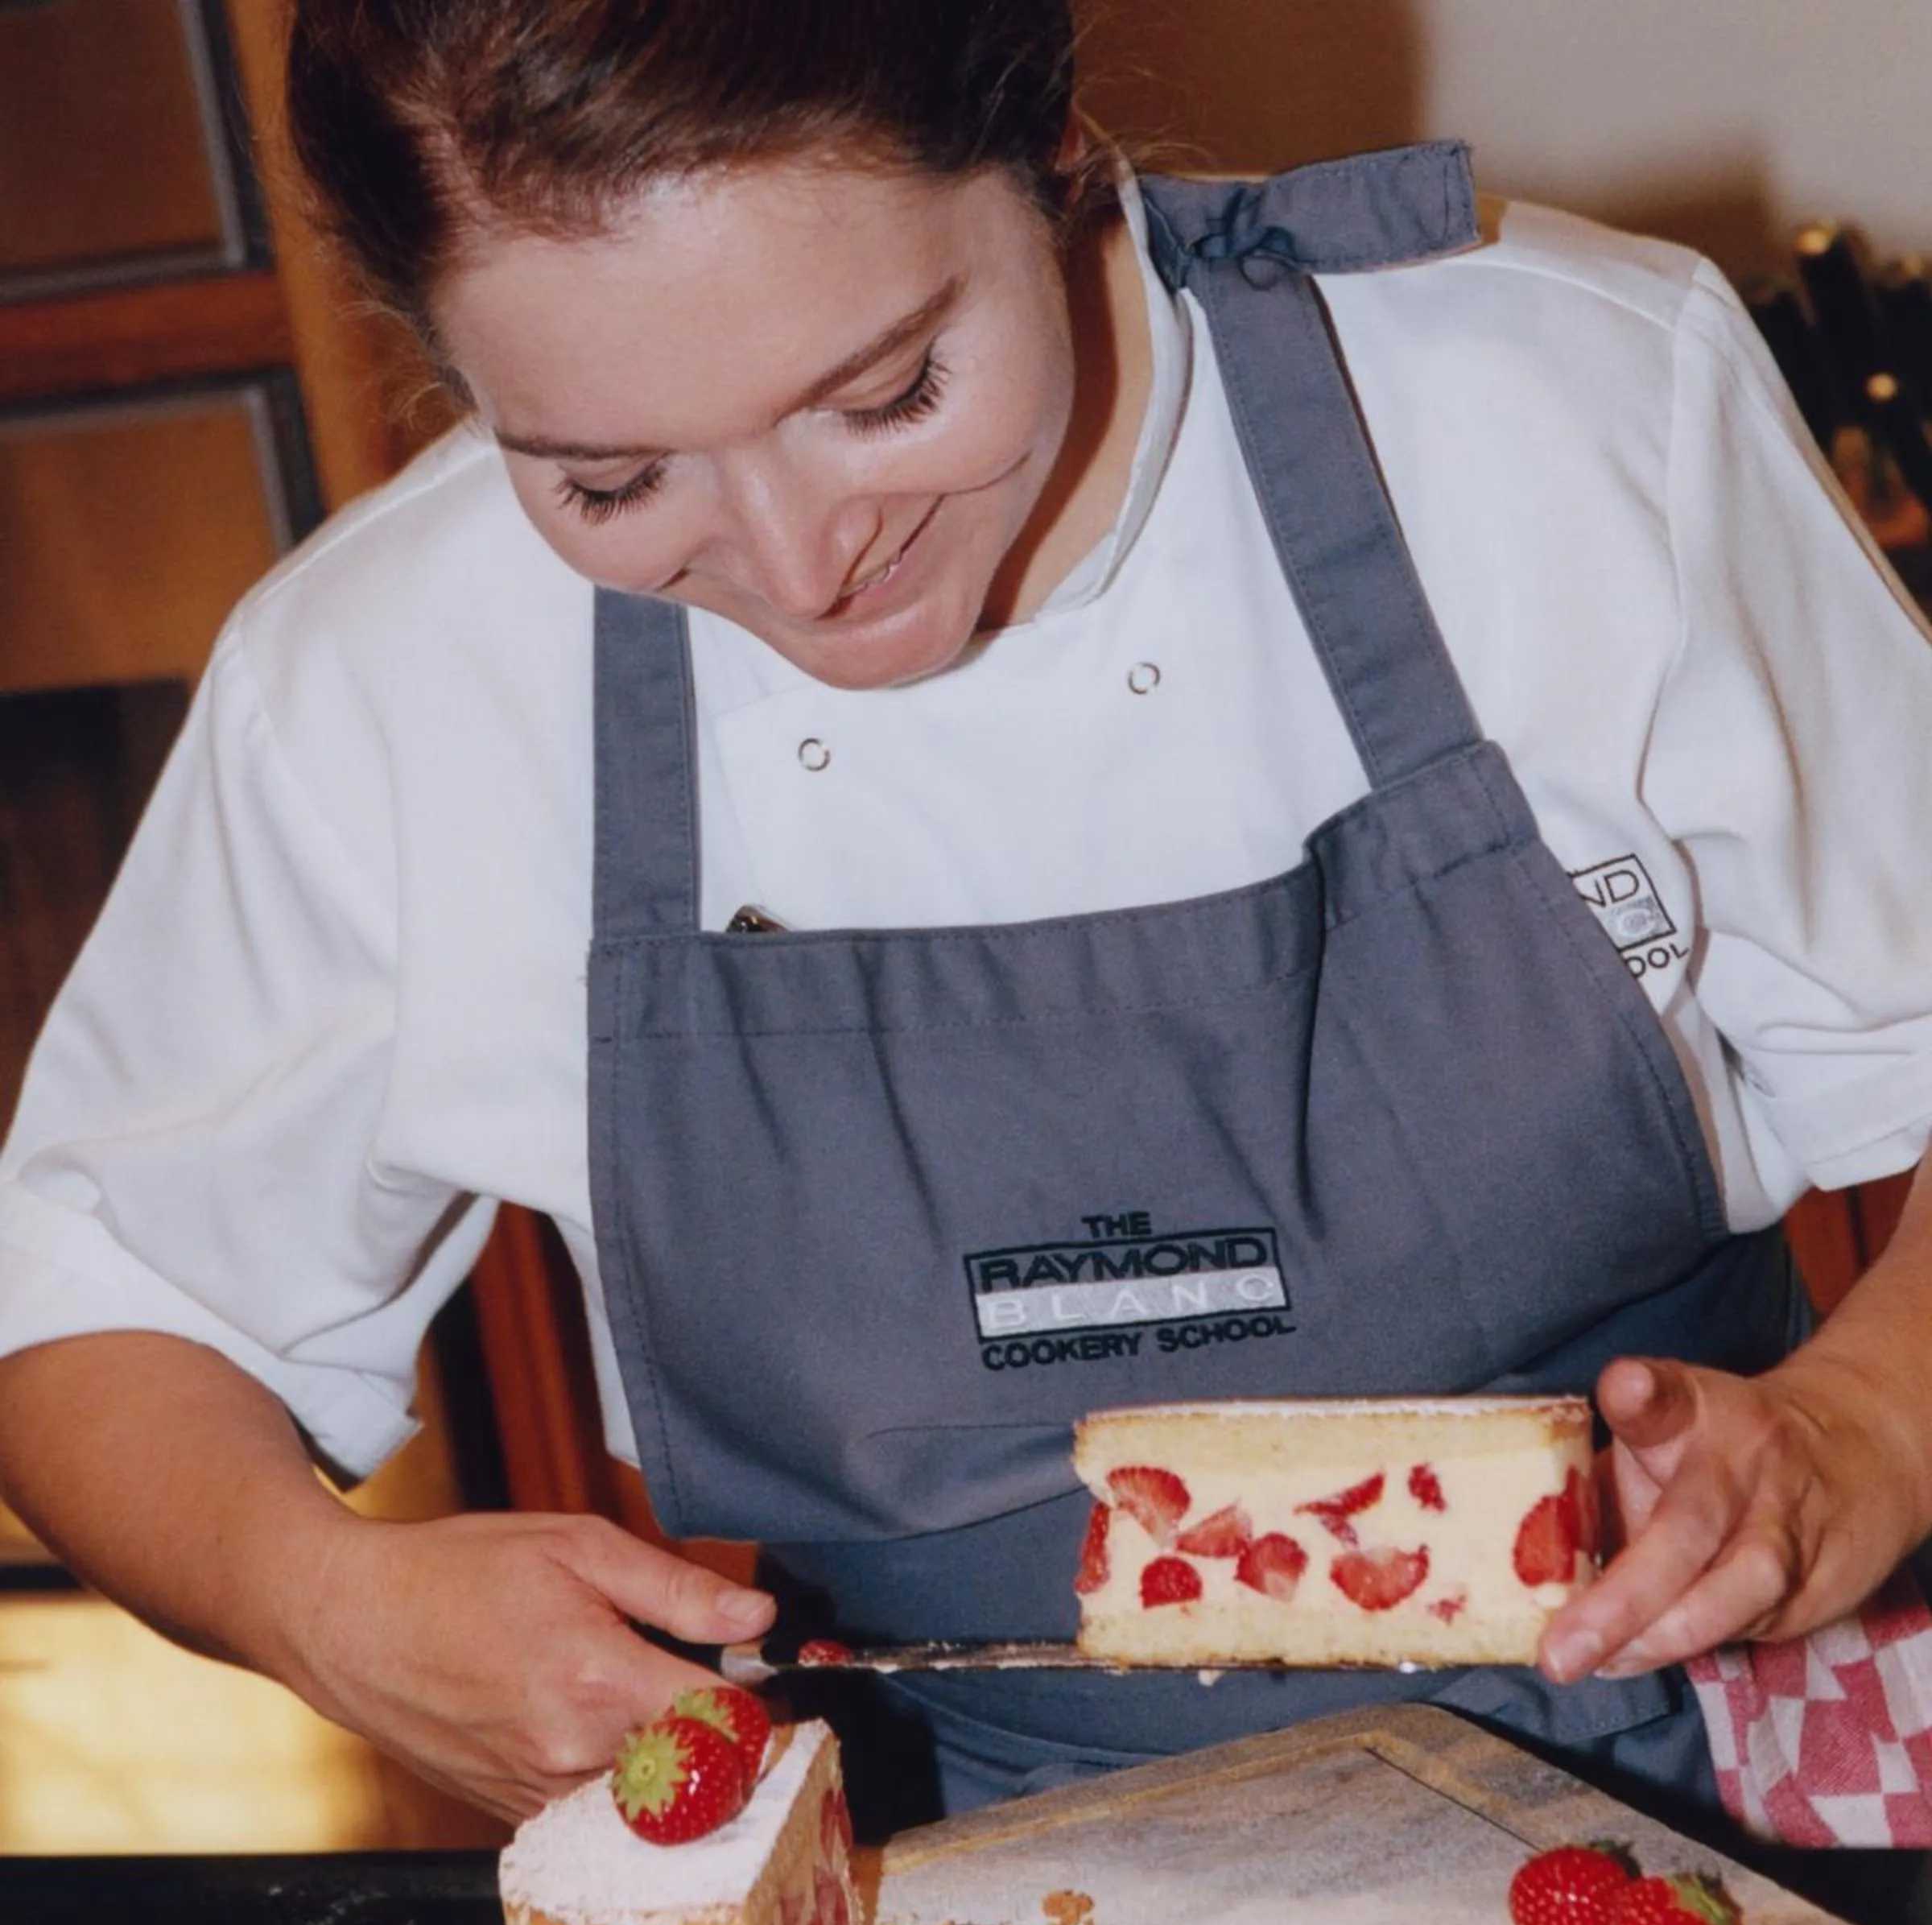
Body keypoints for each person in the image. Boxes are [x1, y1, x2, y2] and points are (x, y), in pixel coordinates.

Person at [2, 0, 1930, 1832]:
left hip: (1717, 1771)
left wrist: (1866, 1422)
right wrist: (326, 1609)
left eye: (888, 393)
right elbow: (95, 1313)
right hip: (954, 1882)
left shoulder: (1558, 417)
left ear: (1053, 147)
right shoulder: (393, 670)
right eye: (608, 480)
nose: (801, 560)